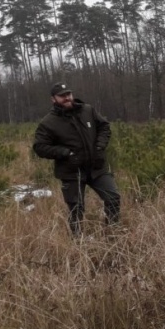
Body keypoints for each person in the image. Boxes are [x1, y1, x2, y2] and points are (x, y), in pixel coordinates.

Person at [33, 82, 121, 236]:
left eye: (68, 94)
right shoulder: (48, 123)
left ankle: (112, 233)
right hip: (71, 172)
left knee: (113, 198)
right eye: (62, 96)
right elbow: (39, 147)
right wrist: (65, 153)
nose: (67, 98)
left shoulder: (87, 110)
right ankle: (78, 242)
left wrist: (99, 147)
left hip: (96, 167)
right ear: (53, 99)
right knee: (76, 208)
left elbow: (104, 127)